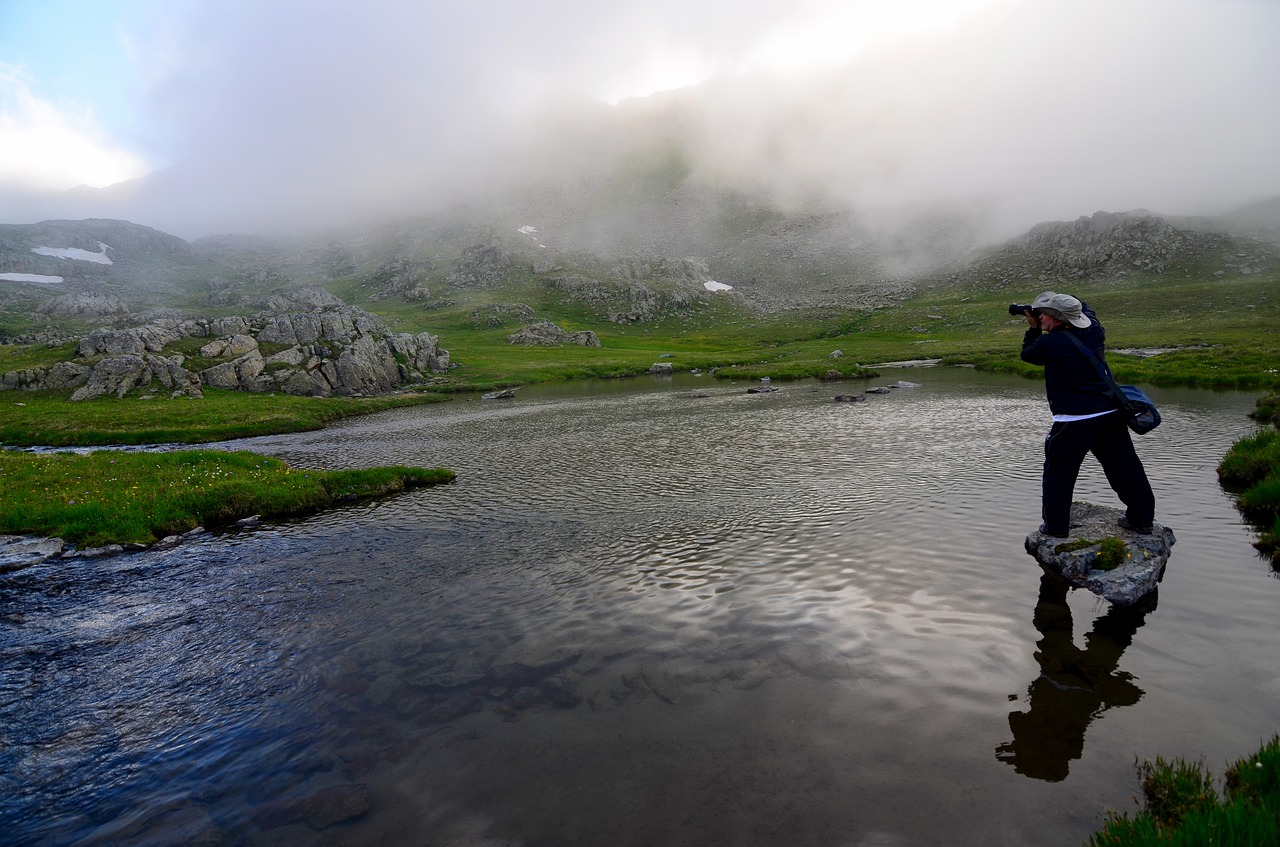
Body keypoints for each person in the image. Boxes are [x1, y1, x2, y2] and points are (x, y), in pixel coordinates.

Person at [1019, 291, 1155, 538]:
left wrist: (1033, 327)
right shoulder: (1094, 329)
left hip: (1073, 422)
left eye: (1045, 314)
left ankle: (1055, 529)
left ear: (1058, 320)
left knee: (1058, 476)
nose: (1041, 317)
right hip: (1110, 415)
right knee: (1125, 469)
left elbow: (1028, 354)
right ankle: (1142, 519)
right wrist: (1062, 304)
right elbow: (1086, 308)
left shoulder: (1050, 344)